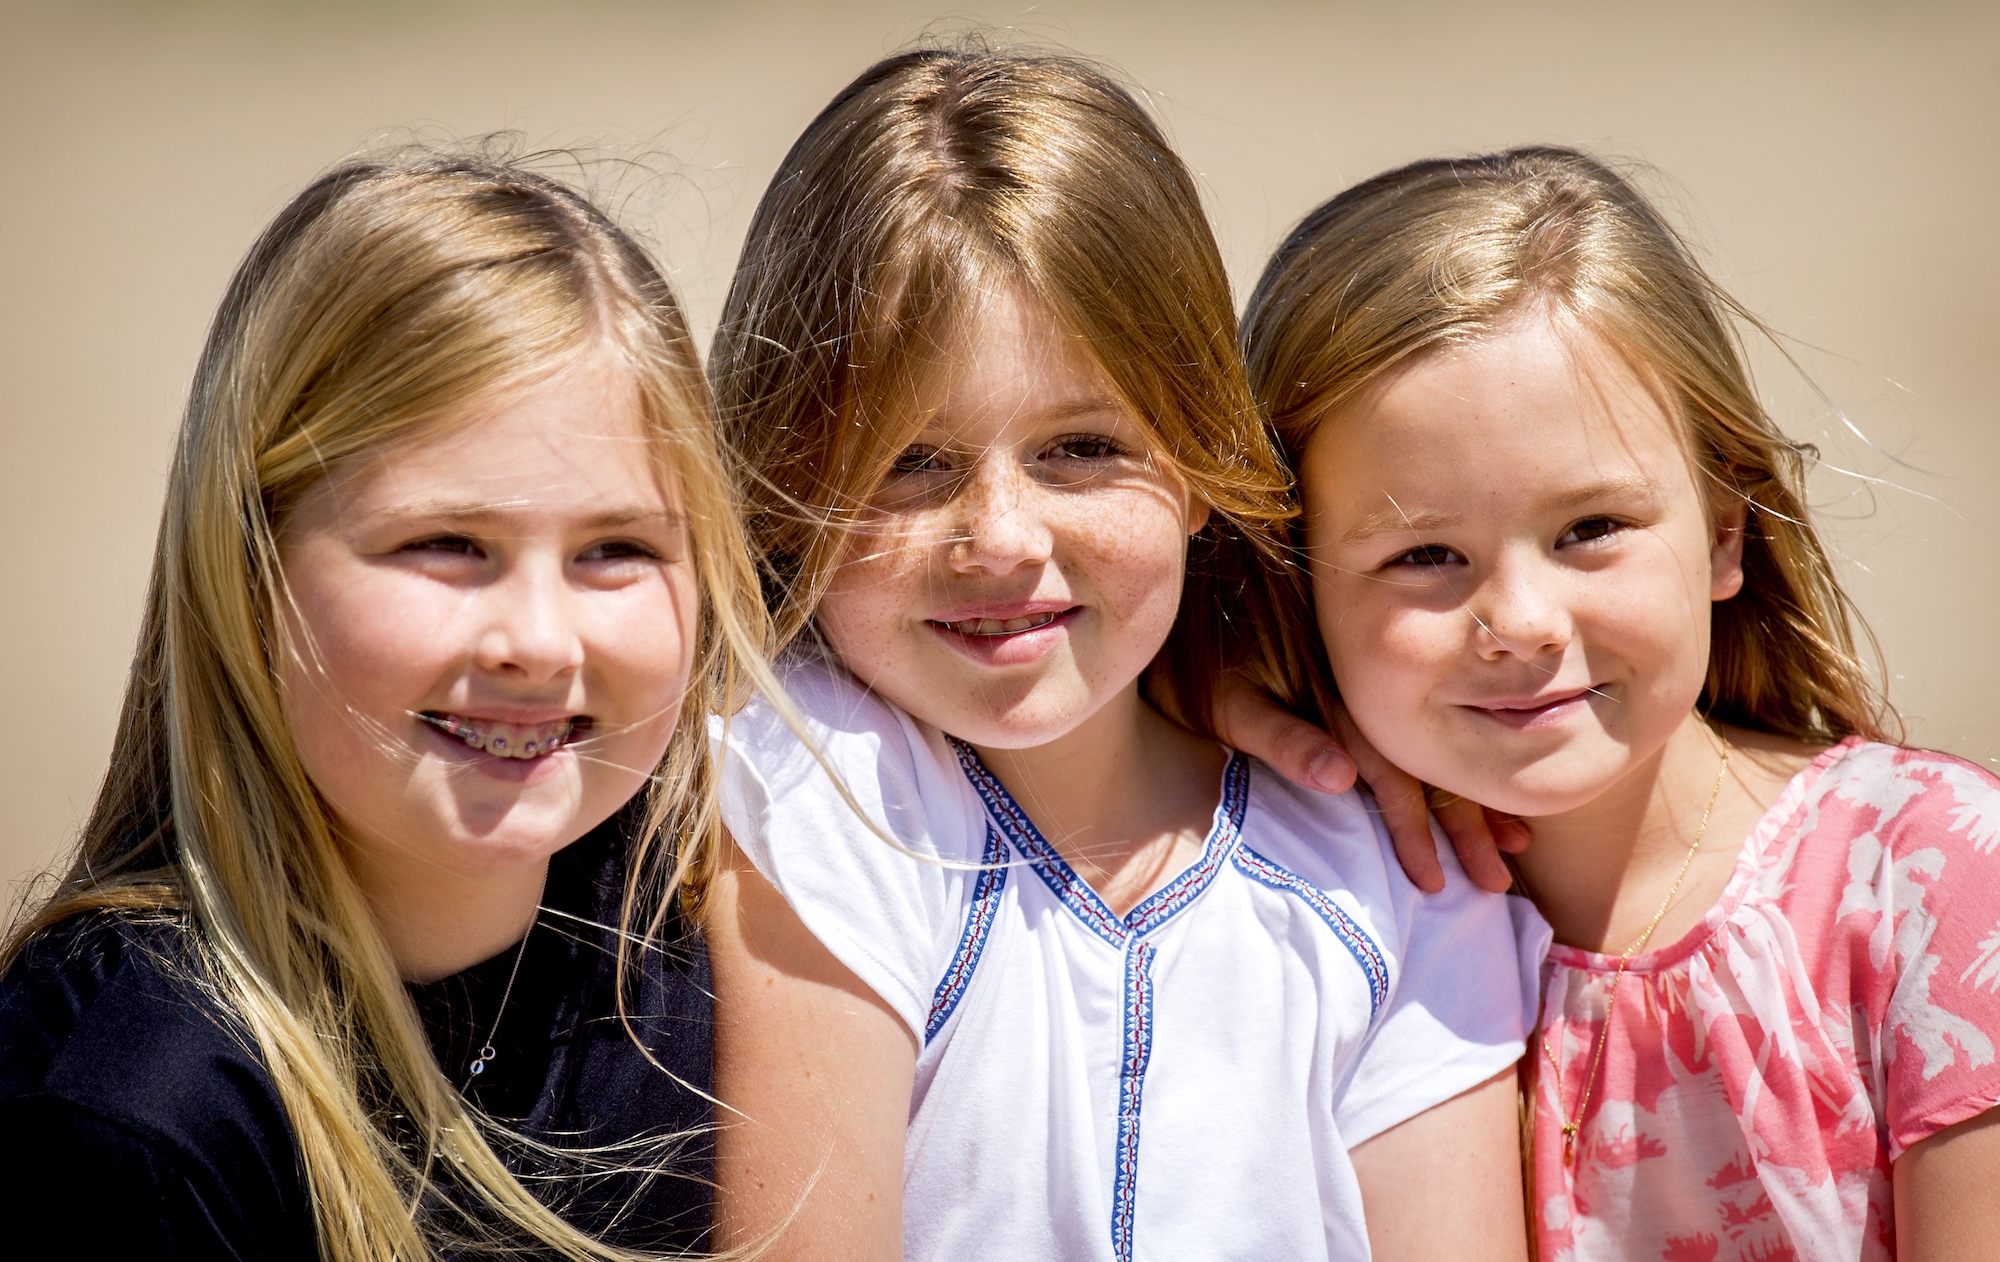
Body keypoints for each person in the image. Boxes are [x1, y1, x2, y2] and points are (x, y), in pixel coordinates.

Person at [702, 48, 1539, 1262]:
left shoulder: (1391, 868)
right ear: (787, 484)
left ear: (1203, 463)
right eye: (907, 461)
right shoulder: (818, 785)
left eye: (1082, 448)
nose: (997, 536)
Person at [1236, 145, 2000, 1261]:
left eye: (1589, 528)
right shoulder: (1294, 899)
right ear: (1292, 579)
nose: (1521, 618)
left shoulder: (1928, 873)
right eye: (1423, 553)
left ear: (1723, 530)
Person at [0, 154, 771, 1260]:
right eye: (447, 544)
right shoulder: (138, 1116)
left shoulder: (723, 947)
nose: (539, 641)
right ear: (248, 563)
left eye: (618, 549)